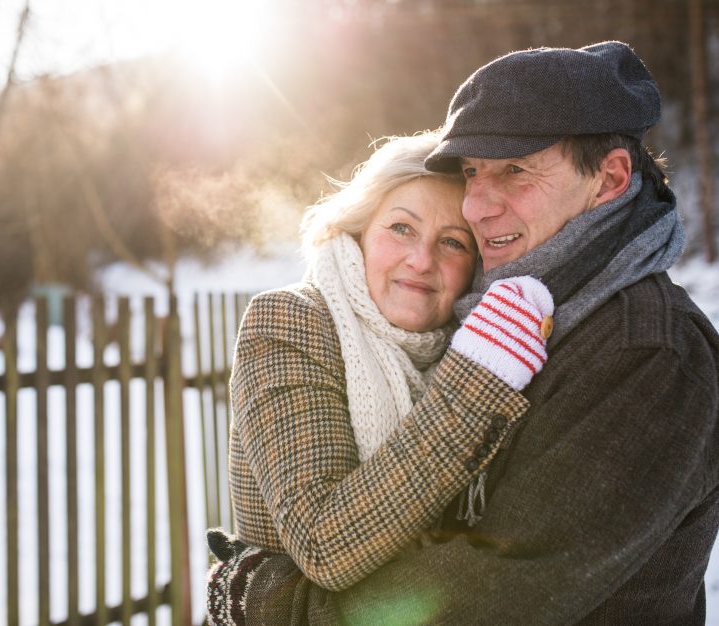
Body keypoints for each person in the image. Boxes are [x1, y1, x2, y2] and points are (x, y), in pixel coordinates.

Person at [208, 41, 719, 624]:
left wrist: (272, 603)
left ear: (608, 180)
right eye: (473, 173)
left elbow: (493, 592)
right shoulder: (519, 322)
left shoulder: (647, 352)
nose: (477, 206)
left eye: (514, 171)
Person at [206, 131, 555, 623]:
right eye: (401, 228)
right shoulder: (290, 321)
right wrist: (476, 383)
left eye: (452, 242)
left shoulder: (476, 340)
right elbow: (325, 544)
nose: (421, 261)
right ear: (360, 231)